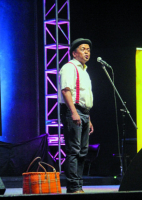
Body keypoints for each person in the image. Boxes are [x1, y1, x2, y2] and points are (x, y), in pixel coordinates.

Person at [59, 38, 94, 193]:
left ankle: (78, 185)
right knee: (74, 149)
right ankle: (73, 186)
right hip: (73, 110)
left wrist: (89, 119)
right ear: (74, 53)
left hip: (84, 112)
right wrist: (73, 112)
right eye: (83, 49)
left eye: (88, 49)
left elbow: (85, 98)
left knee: (83, 151)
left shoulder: (84, 71)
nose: (87, 52)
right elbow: (66, 91)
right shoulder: (69, 67)